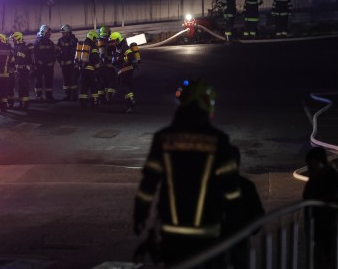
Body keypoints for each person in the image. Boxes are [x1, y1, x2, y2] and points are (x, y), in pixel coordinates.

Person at [133, 79, 241, 267]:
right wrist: (236, 222)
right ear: (207, 105)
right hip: (208, 229)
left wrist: (140, 214)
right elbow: (231, 189)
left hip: (171, 230)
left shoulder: (163, 138)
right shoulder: (219, 140)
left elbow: (148, 184)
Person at [302, 146, 338, 268]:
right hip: (320, 231)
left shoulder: (331, 182)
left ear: (320, 164)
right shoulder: (314, 181)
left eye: (313, 164)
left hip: (332, 230)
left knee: (329, 260)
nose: (310, 168)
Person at [222, 145, 265, 268]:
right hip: (239, 241)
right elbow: (258, 215)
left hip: (216, 243)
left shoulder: (212, 186)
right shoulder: (246, 186)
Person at [109, 32, 140, 113]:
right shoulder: (118, 47)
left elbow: (131, 56)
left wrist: (120, 59)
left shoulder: (124, 46)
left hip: (127, 69)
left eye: (113, 41)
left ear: (118, 40)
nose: (113, 43)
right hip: (123, 70)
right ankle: (129, 107)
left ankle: (132, 102)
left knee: (124, 86)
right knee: (125, 88)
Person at [75, 30, 101, 108]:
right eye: (95, 38)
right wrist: (98, 68)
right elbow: (95, 58)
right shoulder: (93, 46)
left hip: (82, 70)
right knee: (94, 86)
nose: (96, 40)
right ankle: (95, 103)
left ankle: (83, 103)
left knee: (84, 87)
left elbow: (77, 58)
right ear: (92, 37)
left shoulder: (82, 45)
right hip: (91, 70)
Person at [9, 31, 34, 110]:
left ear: (17, 38)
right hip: (23, 70)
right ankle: (23, 103)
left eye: (13, 39)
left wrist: (15, 68)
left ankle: (24, 104)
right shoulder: (19, 47)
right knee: (22, 87)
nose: (13, 41)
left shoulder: (21, 48)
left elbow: (19, 61)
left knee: (23, 87)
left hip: (23, 71)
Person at [33, 24, 56, 101]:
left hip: (49, 65)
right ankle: (38, 95)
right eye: (48, 33)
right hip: (40, 65)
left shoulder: (50, 43)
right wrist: (37, 63)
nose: (49, 34)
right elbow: (34, 54)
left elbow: (54, 54)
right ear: (43, 32)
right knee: (38, 80)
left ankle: (49, 96)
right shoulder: (37, 42)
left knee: (49, 80)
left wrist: (52, 62)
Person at [56, 24, 79, 101]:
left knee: (73, 80)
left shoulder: (74, 40)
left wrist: (75, 62)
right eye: (62, 32)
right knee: (66, 80)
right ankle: (67, 95)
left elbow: (76, 52)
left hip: (71, 64)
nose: (63, 34)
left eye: (64, 32)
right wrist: (60, 61)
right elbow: (57, 52)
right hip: (64, 64)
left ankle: (74, 95)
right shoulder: (60, 41)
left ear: (69, 32)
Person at [97, 25, 117, 103]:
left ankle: (101, 99)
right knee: (112, 82)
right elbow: (115, 53)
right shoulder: (110, 43)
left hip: (99, 67)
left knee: (101, 83)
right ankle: (110, 98)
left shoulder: (97, 42)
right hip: (109, 66)